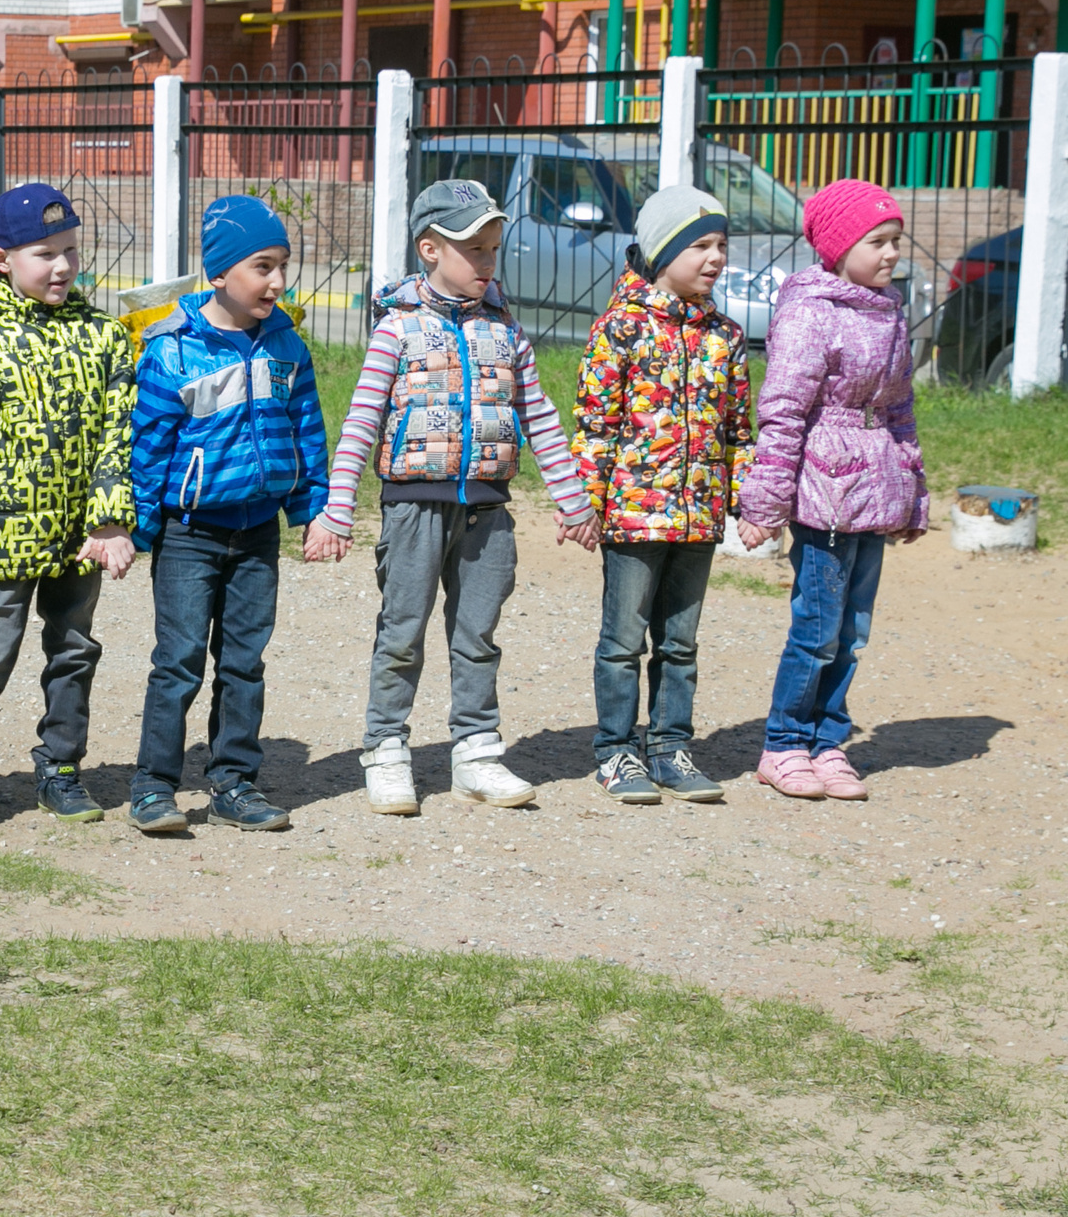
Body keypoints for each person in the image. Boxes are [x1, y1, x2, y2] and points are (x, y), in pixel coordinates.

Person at [306, 178, 599, 814]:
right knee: (402, 632)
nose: (488, 262)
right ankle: (385, 750)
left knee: (478, 633)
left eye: (494, 247)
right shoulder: (398, 329)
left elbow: (541, 416)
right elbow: (360, 419)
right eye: (475, 250)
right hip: (413, 507)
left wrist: (572, 500)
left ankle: (476, 753)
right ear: (430, 249)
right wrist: (336, 508)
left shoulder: (504, 329)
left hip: (487, 508)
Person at [0, 182, 136, 823]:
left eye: (70, 251)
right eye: (45, 253)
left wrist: (109, 518)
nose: (63, 267)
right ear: (2, 259)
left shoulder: (104, 336)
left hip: (83, 531)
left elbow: (116, 433)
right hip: (10, 531)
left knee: (74, 650)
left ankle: (61, 768)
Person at [127, 196, 331, 836]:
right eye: (261, 266)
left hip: (257, 533)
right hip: (190, 536)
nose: (276, 282)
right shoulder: (172, 352)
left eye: (282, 267)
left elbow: (307, 431)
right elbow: (149, 447)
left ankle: (234, 783)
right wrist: (136, 531)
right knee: (180, 660)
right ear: (219, 274)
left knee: (244, 661)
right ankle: (154, 787)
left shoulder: (286, 346)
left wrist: (314, 511)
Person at [736, 179, 928, 801]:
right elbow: (784, 411)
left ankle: (828, 742)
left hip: (875, 491)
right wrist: (764, 503)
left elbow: (900, 410)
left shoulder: (890, 312)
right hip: (825, 491)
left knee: (855, 631)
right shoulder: (810, 311)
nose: (891, 253)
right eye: (877, 241)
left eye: (895, 240)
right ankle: (784, 743)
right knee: (817, 629)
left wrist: (911, 492)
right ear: (840, 247)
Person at [573, 185, 756, 805]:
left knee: (680, 643)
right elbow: (595, 425)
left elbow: (739, 432)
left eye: (721, 245)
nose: (715, 258)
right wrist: (587, 506)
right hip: (631, 518)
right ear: (661, 252)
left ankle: (671, 745)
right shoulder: (619, 329)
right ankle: (615, 752)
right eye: (699, 245)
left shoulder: (725, 339)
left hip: (698, 516)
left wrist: (746, 504)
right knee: (623, 643)